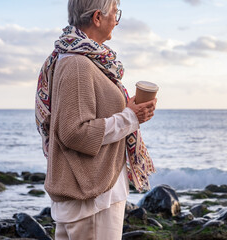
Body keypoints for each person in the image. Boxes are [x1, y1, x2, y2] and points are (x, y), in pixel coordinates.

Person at [35, 0, 157, 239]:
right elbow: (74, 132)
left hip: (97, 192)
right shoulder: (77, 64)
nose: (117, 20)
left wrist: (130, 112)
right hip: (91, 198)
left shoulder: (88, 61)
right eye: (115, 13)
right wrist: (130, 117)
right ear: (98, 18)